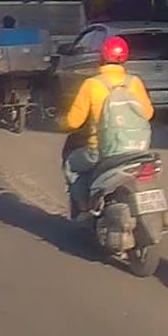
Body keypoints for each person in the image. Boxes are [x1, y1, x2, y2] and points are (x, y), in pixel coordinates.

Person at [59, 36, 155, 218]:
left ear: (101, 57)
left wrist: (61, 122)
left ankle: (84, 208)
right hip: (137, 149)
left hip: (103, 150)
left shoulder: (92, 84)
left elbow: (73, 122)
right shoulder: (134, 82)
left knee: (71, 165)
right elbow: (148, 114)